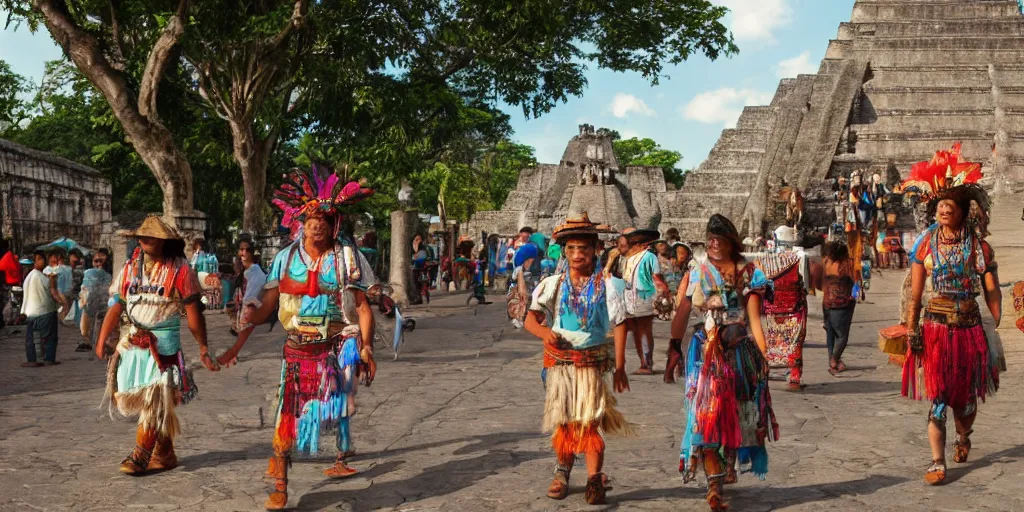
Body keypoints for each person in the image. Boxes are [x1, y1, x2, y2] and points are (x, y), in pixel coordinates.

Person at [223, 170, 377, 510]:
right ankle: (281, 483)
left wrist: (366, 347)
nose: (317, 224)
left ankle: (341, 450)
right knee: (286, 416)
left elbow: (363, 307)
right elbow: (268, 304)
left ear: (334, 223)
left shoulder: (347, 257)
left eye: (324, 219)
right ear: (301, 222)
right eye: (310, 218)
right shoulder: (286, 258)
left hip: (337, 345)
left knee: (341, 403)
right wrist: (248, 321)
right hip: (297, 348)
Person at [95, 215, 220, 475]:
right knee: (146, 399)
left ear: (165, 241)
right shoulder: (130, 267)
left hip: (163, 345)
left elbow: (193, 312)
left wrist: (203, 346)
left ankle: (141, 452)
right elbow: (117, 305)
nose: (145, 240)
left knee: (156, 397)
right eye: (142, 236)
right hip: (132, 342)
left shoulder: (181, 269)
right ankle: (164, 453)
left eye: (152, 236)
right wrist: (102, 339)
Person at [670, 214, 778, 512]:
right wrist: (673, 347)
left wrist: (765, 355)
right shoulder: (697, 273)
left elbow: (754, 319)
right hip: (704, 353)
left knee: (736, 411)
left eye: (720, 239)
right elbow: (684, 310)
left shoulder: (749, 273)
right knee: (705, 413)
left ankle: (728, 462)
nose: (714, 243)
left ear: (732, 243)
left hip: (739, 353)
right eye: (710, 238)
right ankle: (714, 484)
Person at [524, 213, 632, 505]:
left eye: (582, 248)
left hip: (590, 365)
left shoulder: (608, 286)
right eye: (570, 249)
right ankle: (562, 470)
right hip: (558, 364)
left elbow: (620, 323)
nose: (576, 255)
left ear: (595, 249)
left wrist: (620, 367)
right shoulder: (552, 284)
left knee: (590, 421)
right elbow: (530, 320)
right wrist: (545, 333)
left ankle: (594, 478)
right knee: (564, 421)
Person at [903, 180, 1001, 486]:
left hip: (969, 328)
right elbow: (915, 292)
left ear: (962, 212)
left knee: (966, 399)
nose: (944, 210)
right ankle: (937, 460)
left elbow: (991, 288)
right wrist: (910, 326)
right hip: (936, 329)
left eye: (951, 206)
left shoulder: (978, 246)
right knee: (939, 397)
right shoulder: (926, 243)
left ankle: (963, 435)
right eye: (941, 205)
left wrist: (993, 321)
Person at [757, 249, 808, 391]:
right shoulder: (798, 260)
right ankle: (794, 376)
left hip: (772, 312)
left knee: (770, 341)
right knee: (796, 343)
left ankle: (765, 370)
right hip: (794, 310)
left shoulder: (762, 262)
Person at [621, 228, 667, 374]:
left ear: (641, 245)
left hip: (645, 297)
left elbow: (656, 276)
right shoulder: (628, 259)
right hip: (629, 297)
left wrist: (661, 295)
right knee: (636, 331)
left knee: (644, 330)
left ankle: (647, 363)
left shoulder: (649, 257)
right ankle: (643, 361)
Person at [217, 235, 267, 364]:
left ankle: (233, 354)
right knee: (239, 328)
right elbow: (234, 280)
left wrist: (248, 304)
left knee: (242, 329)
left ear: (251, 252)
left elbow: (255, 290)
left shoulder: (255, 270)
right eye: (241, 249)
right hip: (240, 302)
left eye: (247, 249)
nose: (244, 252)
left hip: (249, 304)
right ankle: (234, 353)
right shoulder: (240, 267)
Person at [819, 240, 857, 375]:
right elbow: (855, 280)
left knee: (830, 332)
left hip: (827, 303)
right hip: (842, 303)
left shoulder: (826, 263)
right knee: (842, 335)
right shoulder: (844, 265)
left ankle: (833, 359)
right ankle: (834, 359)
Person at [20, 250, 58, 367]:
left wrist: (23, 311)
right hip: (45, 310)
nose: (44, 262)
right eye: (41, 259)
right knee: (49, 337)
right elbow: (52, 291)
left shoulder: (30, 276)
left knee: (32, 337)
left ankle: (33, 359)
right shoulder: (40, 276)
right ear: (36, 261)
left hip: (31, 312)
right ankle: (48, 358)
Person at [663, 243, 693, 383]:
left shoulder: (685, 269)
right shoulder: (671, 268)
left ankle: (675, 370)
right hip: (678, 307)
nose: (683, 256)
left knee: (677, 342)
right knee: (676, 342)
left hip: (683, 307)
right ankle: (670, 371)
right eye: (680, 253)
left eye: (685, 253)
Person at [76, 249, 113, 352]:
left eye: (101, 261)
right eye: (96, 261)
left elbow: (85, 291)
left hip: (95, 305)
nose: (98, 264)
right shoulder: (107, 275)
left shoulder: (91, 273)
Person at [508, 242, 540, 328]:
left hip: (516, 293)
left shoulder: (519, 268)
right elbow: (521, 289)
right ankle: (518, 319)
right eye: (530, 260)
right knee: (521, 304)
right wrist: (523, 294)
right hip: (518, 294)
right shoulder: (520, 270)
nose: (531, 262)